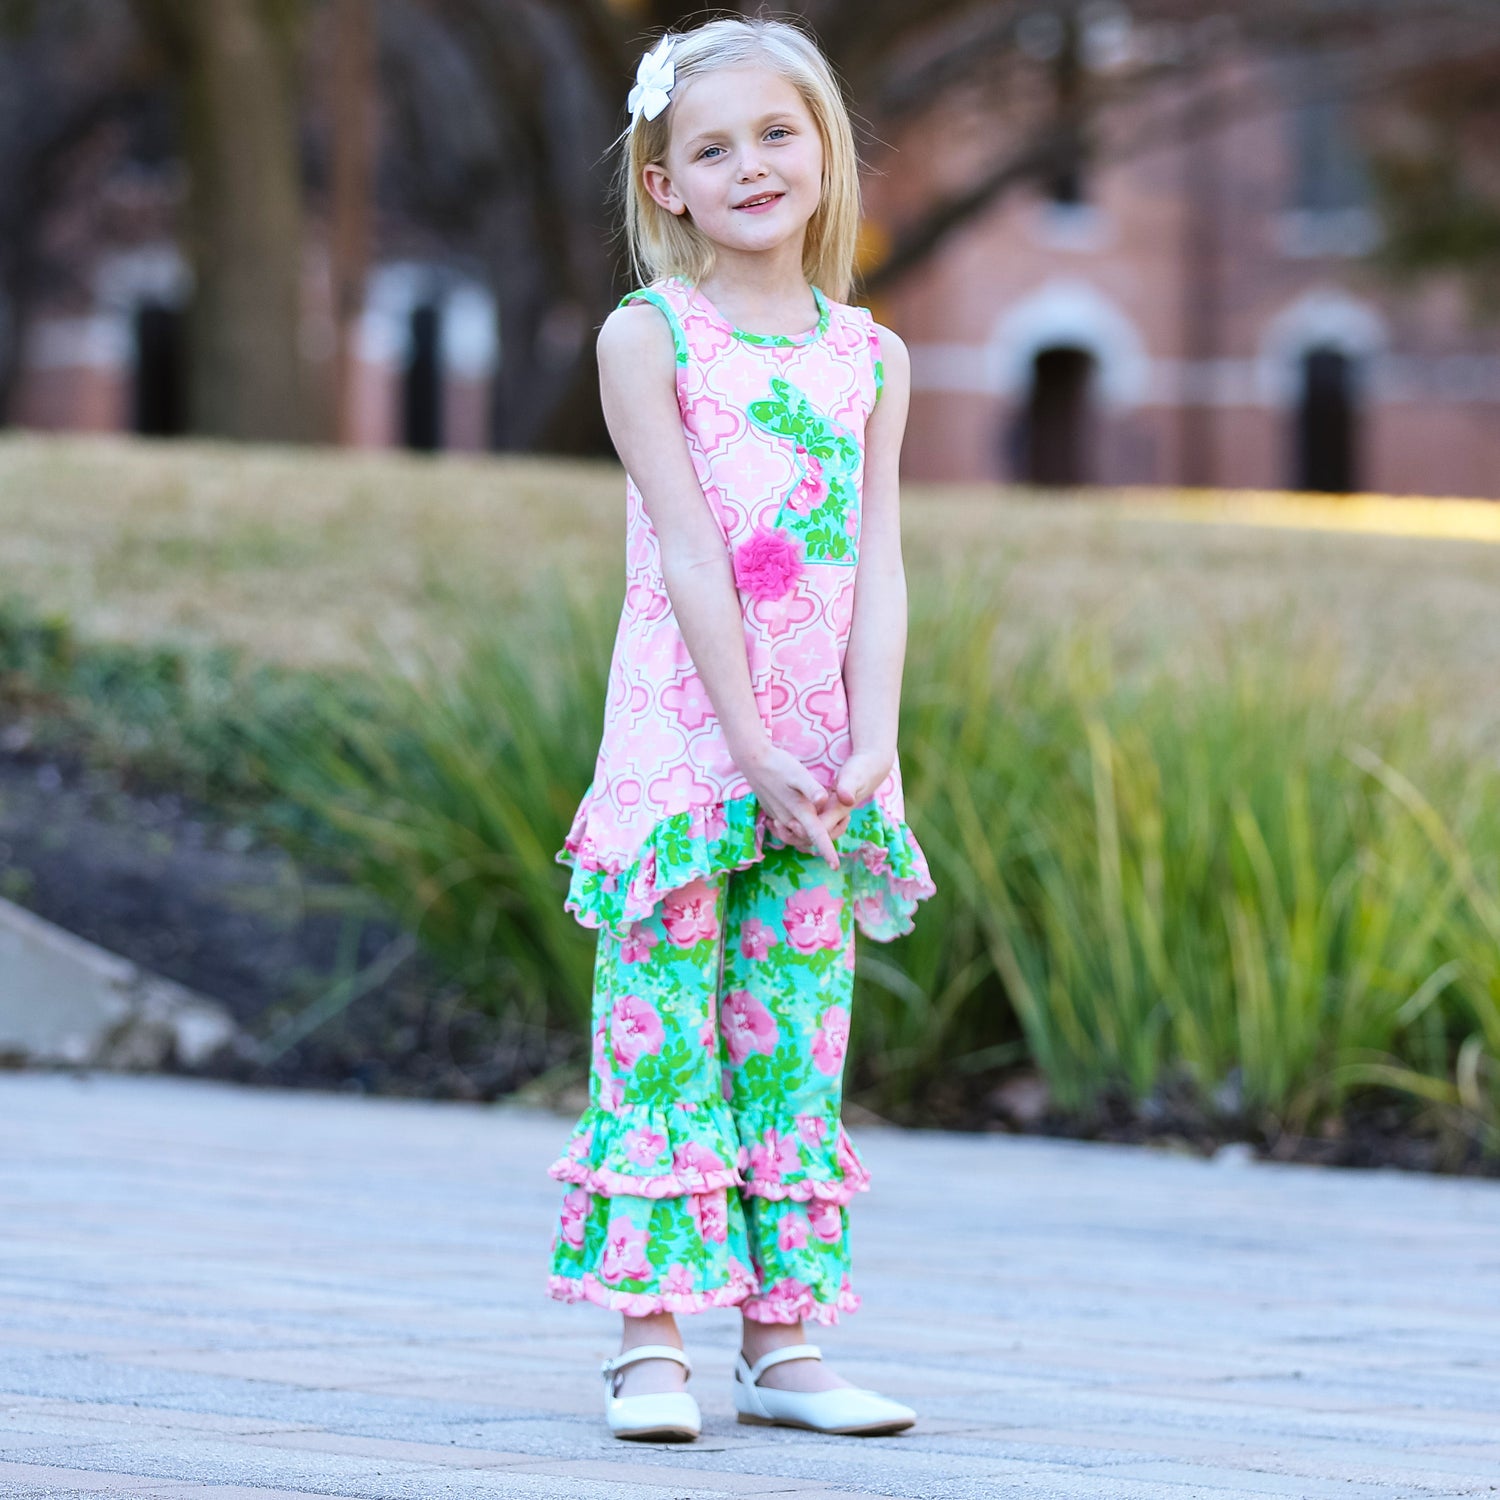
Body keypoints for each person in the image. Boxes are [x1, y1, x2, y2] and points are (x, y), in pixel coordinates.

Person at [546, 15, 937, 1444]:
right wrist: (746, 740)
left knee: (794, 1034)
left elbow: (878, 558)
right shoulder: (649, 338)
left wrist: (870, 736)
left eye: (777, 133)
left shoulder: (871, 356)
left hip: (822, 760)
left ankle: (785, 1344)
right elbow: (690, 548)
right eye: (712, 149)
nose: (751, 164)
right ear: (667, 186)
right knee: (658, 1028)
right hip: (685, 744)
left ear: (825, 149)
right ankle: (647, 1344)